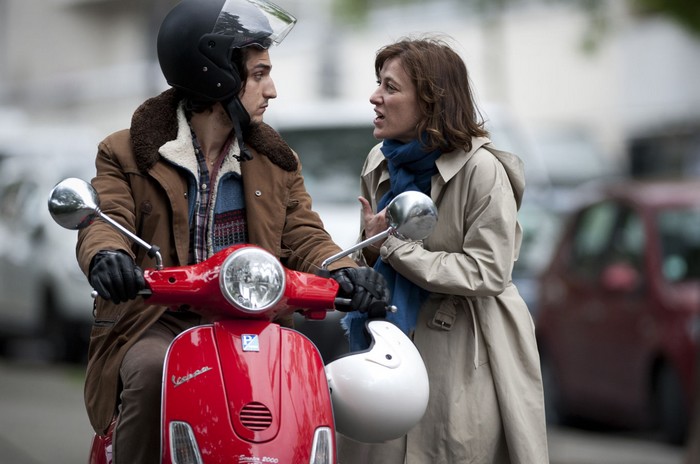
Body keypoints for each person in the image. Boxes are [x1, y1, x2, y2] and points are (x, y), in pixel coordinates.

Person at [75, 0, 389, 462]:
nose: (272, 90)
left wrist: (345, 270)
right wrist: (109, 257)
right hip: (157, 320)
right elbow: (108, 219)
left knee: (302, 382)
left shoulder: (277, 162)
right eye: (259, 74)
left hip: (254, 323)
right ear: (213, 73)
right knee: (151, 373)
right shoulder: (126, 152)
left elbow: (304, 233)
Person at [337, 36, 550, 463]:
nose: (375, 97)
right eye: (378, 84)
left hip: (468, 348)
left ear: (431, 101)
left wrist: (391, 246)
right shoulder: (379, 160)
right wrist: (372, 251)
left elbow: (489, 271)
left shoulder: (483, 170)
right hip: (388, 339)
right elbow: (371, 253)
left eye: (390, 87)